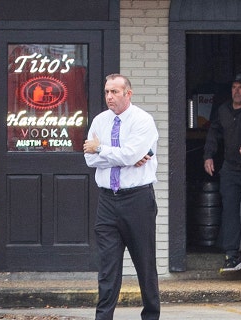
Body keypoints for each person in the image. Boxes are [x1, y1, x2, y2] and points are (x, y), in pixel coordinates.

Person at [84, 74, 160, 320]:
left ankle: (151, 315)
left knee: (145, 264)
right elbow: (89, 158)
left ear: (129, 93)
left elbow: (129, 155)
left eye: (115, 92)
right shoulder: (99, 121)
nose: (109, 97)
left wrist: (102, 149)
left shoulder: (142, 121)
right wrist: (115, 155)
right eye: (107, 92)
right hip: (107, 200)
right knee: (107, 267)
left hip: (137, 200)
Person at [203, 73, 241, 272]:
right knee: (230, 211)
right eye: (234, 87)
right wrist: (208, 156)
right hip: (230, 168)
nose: (236, 91)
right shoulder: (223, 110)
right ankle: (232, 255)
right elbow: (214, 132)